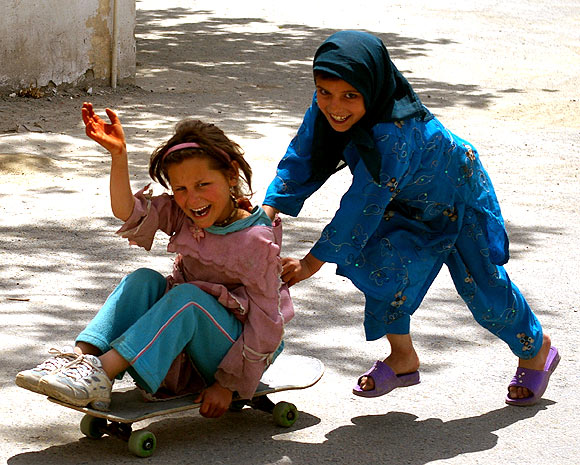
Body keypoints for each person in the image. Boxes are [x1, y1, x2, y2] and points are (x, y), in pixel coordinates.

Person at [262, 30, 558, 406]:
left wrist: (310, 263)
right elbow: (301, 158)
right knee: (382, 270)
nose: (335, 106)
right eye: (325, 92)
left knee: (484, 288)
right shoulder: (325, 109)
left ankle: (536, 349)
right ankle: (403, 358)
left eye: (351, 96)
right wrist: (266, 211)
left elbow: (361, 204)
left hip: (456, 196)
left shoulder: (394, 136)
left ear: (373, 87)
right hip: (404, 201)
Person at [16, 103, 293, 418]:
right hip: (182, 343)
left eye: (203, 185)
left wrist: (228, 385)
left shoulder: (256, 241)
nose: (193, 199)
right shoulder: (183, 213)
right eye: (181, 189)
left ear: (231, 175)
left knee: (190, 298)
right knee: (143, 279)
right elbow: (128, 211)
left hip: (232, 356)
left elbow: (267, 326)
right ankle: (79, 361)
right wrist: (118, 156)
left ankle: (101, 375)